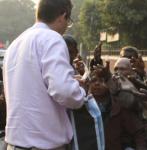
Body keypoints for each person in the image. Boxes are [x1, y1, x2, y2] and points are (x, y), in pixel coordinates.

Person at [3, 0, 87, 149]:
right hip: (44, 145)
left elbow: (33, 87)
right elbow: (64, 91)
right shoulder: (52, 38)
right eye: (69, 21)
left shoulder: (15, 44)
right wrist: (80, 90)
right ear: (63, 16)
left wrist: (69, 82)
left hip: (13, 144)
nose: (67, 27)